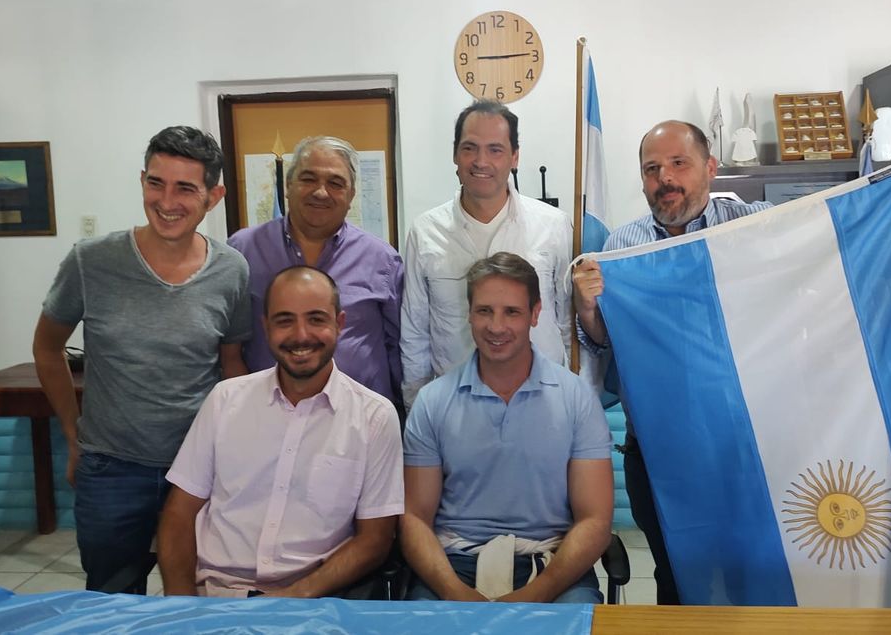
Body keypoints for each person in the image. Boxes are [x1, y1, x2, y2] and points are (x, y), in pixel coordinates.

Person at [572, 119, 891, 605]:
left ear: (710, 168)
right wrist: (587, 308)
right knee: (677, 580)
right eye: (652, 169)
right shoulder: (620, 248)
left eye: (679, 163)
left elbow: (842, 245)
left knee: (756, 579)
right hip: (658, 450)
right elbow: (606, 343)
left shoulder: (759, 225)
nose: (665, 178)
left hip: (748, 447)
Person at [32, 126, 252, 593]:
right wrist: (72, 434)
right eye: (156, 183)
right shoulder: (91, 261)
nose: (166, 201)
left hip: (197, 468)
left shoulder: (231, 270)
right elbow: (47, 348)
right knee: (113, 597)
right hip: (111, 469)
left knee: (195, 594)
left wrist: (239, 453)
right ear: (142, 181)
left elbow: (231, 366)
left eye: (185, 188)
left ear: (213, 197)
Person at [159, 266, 403, 598]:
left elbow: (374, 540)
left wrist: (289, 599)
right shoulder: (225, 400)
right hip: (216, 596)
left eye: (316, 319)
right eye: (285, 321)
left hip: (312, 601)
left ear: (340, 324)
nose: (301, 335)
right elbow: (180, 512)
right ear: (266, 327)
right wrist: (181, 605)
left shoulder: (375, 417)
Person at [401, 252, 613, 603]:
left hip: (551, 562)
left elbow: (595, 521)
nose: (496, 327)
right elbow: (414, 518)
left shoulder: (576, 398)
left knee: (575, 622)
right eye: (484, 311)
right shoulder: (432, 401)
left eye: (511, 312)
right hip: (454, 563)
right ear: (469, 314)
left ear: (535, 314)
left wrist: (533, 596)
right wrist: (455, 593)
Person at [400, 101, 572, 409]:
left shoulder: (554, 226)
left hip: (543, 405)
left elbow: (567, 324)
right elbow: (414, 333)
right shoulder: (424, 233)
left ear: (514, 156)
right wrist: (417, 409)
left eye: (495, 149)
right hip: (455, 408)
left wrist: (574, 401)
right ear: (455, 154)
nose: (481, 161)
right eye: (470, 148)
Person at [228, 136, 403, 410]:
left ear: (351, 195)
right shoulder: (242, 251)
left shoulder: (383, 260)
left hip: (358, 418)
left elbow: (399, 347)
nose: (321, 192)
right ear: (288, 185)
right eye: (308, 179)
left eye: (335, 183)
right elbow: (229, 344)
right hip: (267, 415)